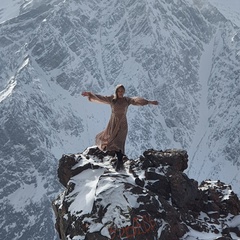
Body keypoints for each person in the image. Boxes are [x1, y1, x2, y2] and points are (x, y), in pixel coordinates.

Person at [82, 84, 158, 170]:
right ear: (116, 91)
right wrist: (91, 95)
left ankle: (120, 163)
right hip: (113, 123)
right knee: (111, 141)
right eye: (119, 91)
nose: (121, 93)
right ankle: (114, 160)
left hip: (123, 124)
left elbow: (137, 100)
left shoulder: (127, 100)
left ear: (124, 92)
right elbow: (101, 98)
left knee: (120, 143)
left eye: (122, 91)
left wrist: (149, 102)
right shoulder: (112, 99)